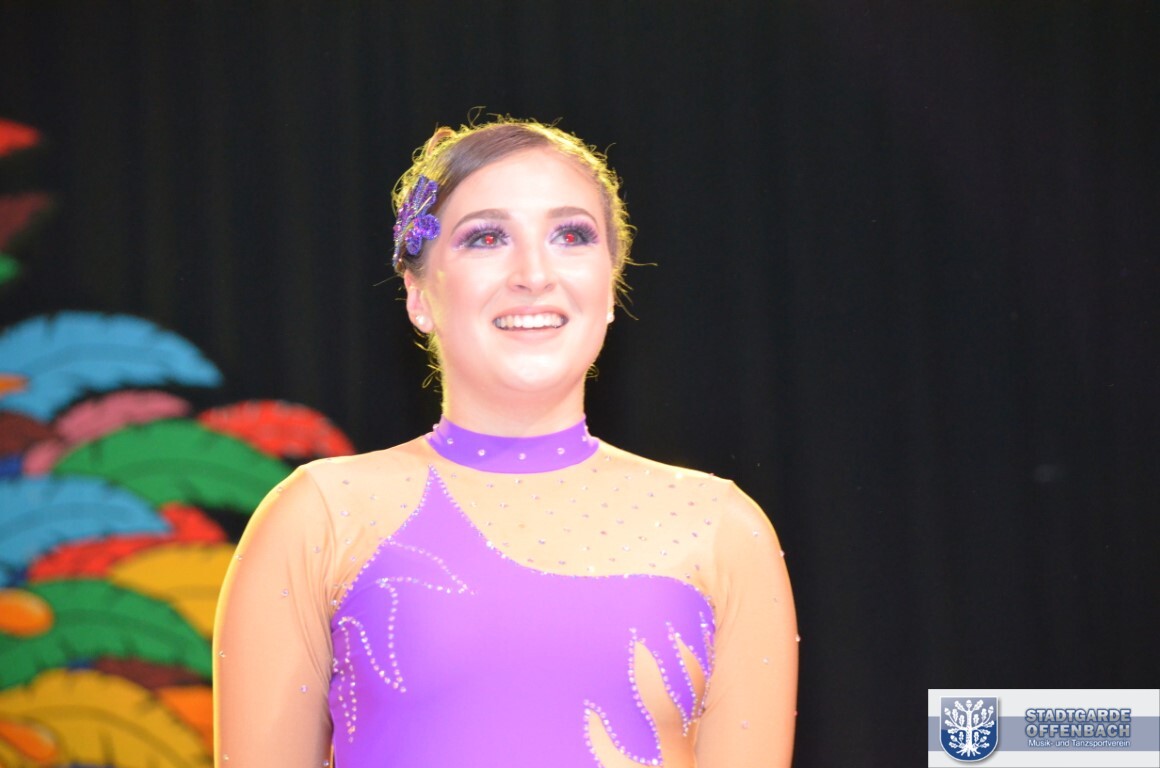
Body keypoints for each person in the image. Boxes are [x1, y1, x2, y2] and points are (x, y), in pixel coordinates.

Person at [213, 117, 798, 767]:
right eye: (487, 237)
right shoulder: (319, 515)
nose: (534, 274)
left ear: (610, 287)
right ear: (418, 294)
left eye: (571, 235)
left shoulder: (720, 527)